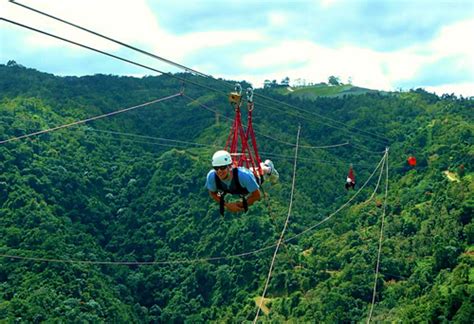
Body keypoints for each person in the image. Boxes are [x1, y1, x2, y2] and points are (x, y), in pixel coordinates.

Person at [205, 150, 279, 214]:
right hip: (235, 186)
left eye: (222, 168)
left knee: (259, 172)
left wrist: (241, 205)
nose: (219, 171)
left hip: (247, 182)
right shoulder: (212, 176)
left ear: (229, 166)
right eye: (216, 168)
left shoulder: (244, 176)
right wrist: (227, 205)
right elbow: (212, 193)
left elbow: (257, 195)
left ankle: (268, 167)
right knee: (249, 173)